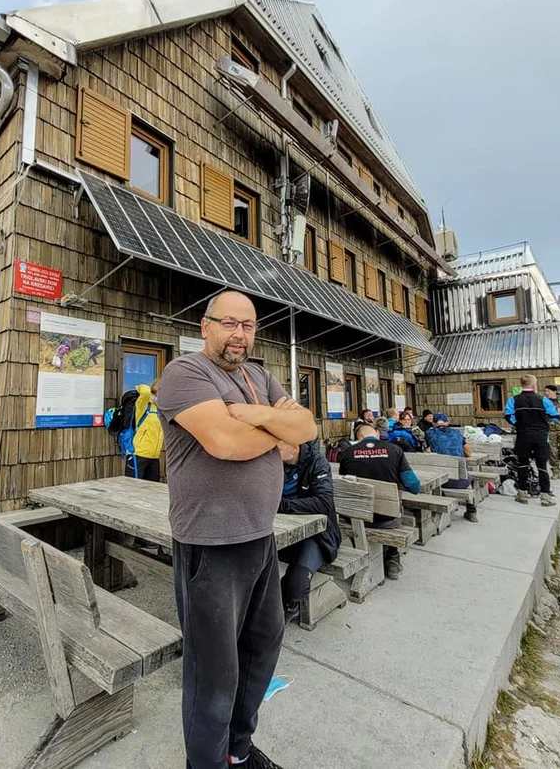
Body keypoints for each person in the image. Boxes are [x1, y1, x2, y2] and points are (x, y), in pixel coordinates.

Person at [157, 290, 317, 769]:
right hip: (209, 542)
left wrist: (258, 417)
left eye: (247, 325)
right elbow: (224, 442)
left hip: (259, 537)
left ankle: (238, 752)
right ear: (205, 326)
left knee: (262, 649)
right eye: (228, 323)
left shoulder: (258, 376)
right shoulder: (185, 373)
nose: (238, 334)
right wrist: (277, 432)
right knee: (214, 674)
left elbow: (306, 428)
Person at [338, 422, 420, 580]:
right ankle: (392, 559)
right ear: (376, 434)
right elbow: (414, 486)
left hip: (355, 518)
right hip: (387, 519)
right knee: (397, 508)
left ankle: (365, 554)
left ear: (357, 438)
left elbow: (346, 485)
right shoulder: (395, 450)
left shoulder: (347, 453)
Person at [277, 440, 341, 623]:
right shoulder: (273, 463)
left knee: (295, 584)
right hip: (283, 530)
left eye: (278, 447)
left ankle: (290, 607)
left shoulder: (317, 462)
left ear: (294, 446)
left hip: (318, 535)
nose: (272, 451)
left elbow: (324, 502)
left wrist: (283, 506)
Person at [505, 374, 559, 507]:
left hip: (523, 436)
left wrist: (518, 424)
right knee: (542, 466)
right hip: (541, 436)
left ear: (521, 385)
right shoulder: (544, 400)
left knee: (523, 464)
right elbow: (556, 417)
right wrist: (546, 420)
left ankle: (522, 494)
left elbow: (508, 416)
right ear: (534, 385)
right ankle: (545, 497)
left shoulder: (513, 400)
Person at [426, 413, 478, 522]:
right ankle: (472, 511)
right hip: (461, 481)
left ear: (434, 424)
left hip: (441, 480)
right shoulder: (457, 433)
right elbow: (468, 453)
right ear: (447, 423)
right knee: (469, 478)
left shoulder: (430, 434)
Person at [125, 379, 164, 481]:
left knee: (152, 490)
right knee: (134, 490)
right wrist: (150, 392)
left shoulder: (161, 409)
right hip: (138, 454)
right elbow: (145, 391)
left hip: (154, 456)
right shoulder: (144, 404)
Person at [544, 384, 560, 480]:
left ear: (554, 391)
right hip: (551, 430)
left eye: (549, 391)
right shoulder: (545, 404)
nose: (547, 393)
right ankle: (555, 472)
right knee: (553, 452)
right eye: (546, 391)